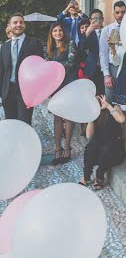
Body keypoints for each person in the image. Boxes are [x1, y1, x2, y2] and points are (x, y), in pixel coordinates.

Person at [0, 13, 44, 124]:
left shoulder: (34, 43)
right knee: (10, 124)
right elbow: (2, 71)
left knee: (24, 123)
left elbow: (39, 69)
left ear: (24, 25)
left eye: (21, 22)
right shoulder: (4, 47)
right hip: (7, 92)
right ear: (9, 26)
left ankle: (25, 142)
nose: (18, 24)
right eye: (15, 22)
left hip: (26, 92)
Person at [45, 22, 78, 166]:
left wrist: (54, 66)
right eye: (55, 31)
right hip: (55, 86)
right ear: (51, 34)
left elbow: (71, 61)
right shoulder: (50, 48)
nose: (58, 33)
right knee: (57, 118)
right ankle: (57, 150)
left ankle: (67, 149)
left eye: (60, 31)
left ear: (63, 32)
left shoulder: (70, 44)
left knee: (68, 117)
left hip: (69, 84)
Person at [79, 95, 126, 190]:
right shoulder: (94, 113)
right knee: (91, 147)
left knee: (106, 148)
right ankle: (86, 175)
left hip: (114, 147)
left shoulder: (114, 107)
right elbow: (88, 135)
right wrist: (92, 117)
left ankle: (99, 177)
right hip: (98, 147)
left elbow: (121, 119)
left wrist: (108, 106)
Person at [99, 1, 126, 103]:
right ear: (113, 13)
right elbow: (103, 53)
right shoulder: (107, 30)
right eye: (117, 12)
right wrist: (106, 75)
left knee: (125, 100)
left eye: (123, 12)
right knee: (110, 99)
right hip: (113, 68)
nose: (120, 15)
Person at [78, 9, 105, 95]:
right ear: (90, 20)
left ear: (102, 19)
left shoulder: (108, 30)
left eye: (98, 18)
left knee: (105, 94)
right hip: (92, 68)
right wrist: (87, 34)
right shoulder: (87, 33)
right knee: (91, 94)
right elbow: (80, 50)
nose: (96, 20)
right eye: (93, 19)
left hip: (106, 68)